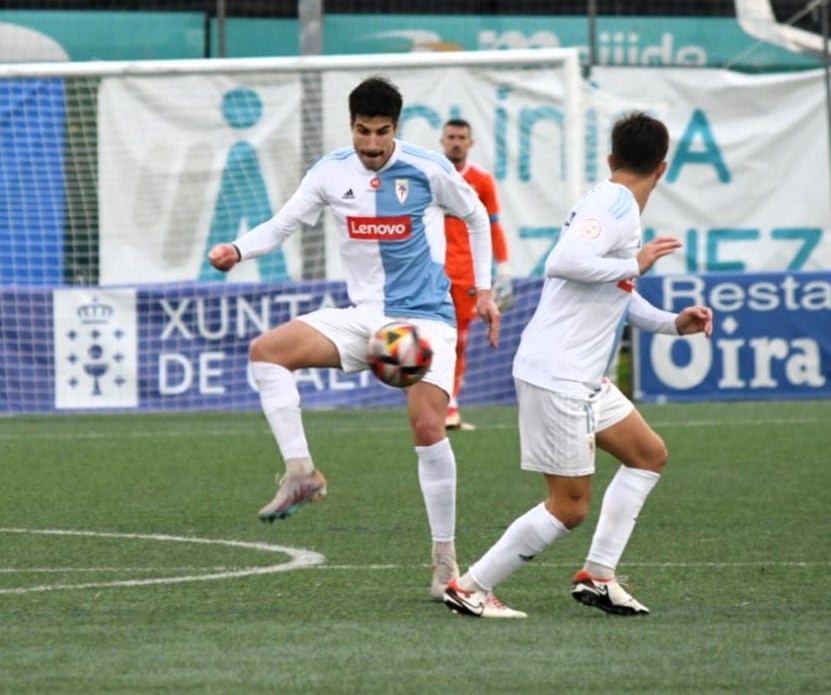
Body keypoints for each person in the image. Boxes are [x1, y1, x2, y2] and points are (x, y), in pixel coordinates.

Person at [207, 76, 501, 600]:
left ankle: (444, 562)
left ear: (397, 128)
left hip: (425, 319)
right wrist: (237, 248)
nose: (371, 144)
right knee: (266, 353)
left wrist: (483, 290)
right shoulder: (330, 172)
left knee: (428, 426)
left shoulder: (429, 169)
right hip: (364, 317)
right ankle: (300, 471)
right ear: (351, 126)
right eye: (363, 131)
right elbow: (280, 227)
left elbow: (476, 216)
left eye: (381, 132)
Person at [442, 112, 714, 619]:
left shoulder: (613, 202)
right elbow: (564, 261)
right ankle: (473, 586)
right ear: (664, 168)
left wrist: (674, 322)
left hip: (584, 377)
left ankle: (599, 575)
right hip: (559, 373)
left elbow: (615, 292)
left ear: (612, 159)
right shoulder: (615, 204)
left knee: (648, 455)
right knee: (569, 506)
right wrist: (637, 263)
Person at [440, 118, 513, 431]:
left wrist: (504, 267)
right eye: (451, 137)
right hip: (432, 273)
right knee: (433, 339)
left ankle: (451, 405)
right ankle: (434, 404)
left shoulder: (481, 180)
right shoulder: (431, 174)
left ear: (471, 143)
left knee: (459, 341)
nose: (456, 142)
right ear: (442, 141)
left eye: (462, 137)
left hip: (466, 274)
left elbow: (493, 224)